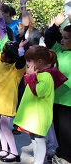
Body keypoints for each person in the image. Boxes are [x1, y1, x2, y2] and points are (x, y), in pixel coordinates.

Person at [13, 45, 67, 164]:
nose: (27, 63)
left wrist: (31, 76)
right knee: (33, 138)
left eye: (29, 61)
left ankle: (39, 161)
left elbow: (38, 91)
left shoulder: (47, 76)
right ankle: (37, 159)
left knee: (39, 139)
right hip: (33, 114)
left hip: (39, 115)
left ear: (39, 61)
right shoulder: (38, 73)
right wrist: (30, 75)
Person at [0, 25, 27, 162]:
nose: (2, 53)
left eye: (5, 53)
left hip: (7, 103)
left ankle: (14, 153)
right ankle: (5, 149)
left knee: (5, 127)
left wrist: (21, 50)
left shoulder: (16, 70)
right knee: (0, 127)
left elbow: (21, 62)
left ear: (11, 57)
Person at [44, 13, 71, 162]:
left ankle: (66, 157)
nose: (62, 40)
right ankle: (61, 153)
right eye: (63, 36)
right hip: (57, 99)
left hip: (69, 101)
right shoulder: (59, 50)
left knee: (68, 131)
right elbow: (49, 39)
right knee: (59, 130)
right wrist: (55, 26)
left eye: (66, 38)